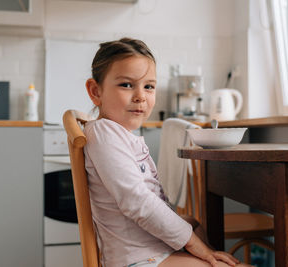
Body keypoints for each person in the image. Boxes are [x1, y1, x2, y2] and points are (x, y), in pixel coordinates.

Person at [83, 38, 251, 267]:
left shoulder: (116, 134)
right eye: (126, 85)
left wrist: (194, 240)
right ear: (95, 91)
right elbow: (137, 201)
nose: (140, 96)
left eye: (148, 86)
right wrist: (195, 245)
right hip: (138, 259)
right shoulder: (104, 133)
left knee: (193, 224)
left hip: (151, 249)